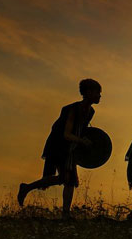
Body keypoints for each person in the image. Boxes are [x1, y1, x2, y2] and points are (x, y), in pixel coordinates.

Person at [17, 78, 102, 219]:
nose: (99, 96)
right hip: (58, 146)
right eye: (97, 92)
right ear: (88, 92)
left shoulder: (90, 111)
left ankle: (28, 188)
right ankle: (65, 214)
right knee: (69, 179)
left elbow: (81, 131)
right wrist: (81, 141)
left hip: (71, 148)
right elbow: (67, 134)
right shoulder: (71, 109)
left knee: (67, 179)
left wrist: (86, 141)